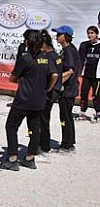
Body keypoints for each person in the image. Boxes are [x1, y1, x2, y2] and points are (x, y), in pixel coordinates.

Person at [0, 30, 58, 171]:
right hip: (39, 99)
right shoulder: (46, 58)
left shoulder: (25, 58)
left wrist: (22, 79)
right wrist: (47, 89)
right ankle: (30, 158)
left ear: (29, 42)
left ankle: (12, 159)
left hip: (23, 98)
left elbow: (12, 78)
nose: (24, 42)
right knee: (34, 129)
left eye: (25, 39)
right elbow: (54, 75)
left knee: (11, 126)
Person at [54, 25, 80, 153]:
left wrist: (56, 84)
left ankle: (67, 145)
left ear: (66, 36)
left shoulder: (69, 50)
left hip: (68, 89)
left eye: (59, 34)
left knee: (65, 117)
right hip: (67, 89)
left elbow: (69, 71)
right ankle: (68, 142)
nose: (57, 36)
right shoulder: (65, 50)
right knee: (66, 116)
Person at [38, 30, 62, 161]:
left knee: (43, 120)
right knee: (44, 118)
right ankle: (43, 145)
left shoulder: (49, 57)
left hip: (50, 93)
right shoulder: (55, 55)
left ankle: (44, 147)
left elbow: (55, 75)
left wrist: (48, 89)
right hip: (55, 91)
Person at [78, 25, 100, 121]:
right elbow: (81, 59)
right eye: (88, 33)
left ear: (97, 34)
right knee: (83, 93)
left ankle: (98, 113)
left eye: (92, 33)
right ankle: (83, 112)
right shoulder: (84, 45)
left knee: (97, 95)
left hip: (97, 75)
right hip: (86, 74)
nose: (90, 35)